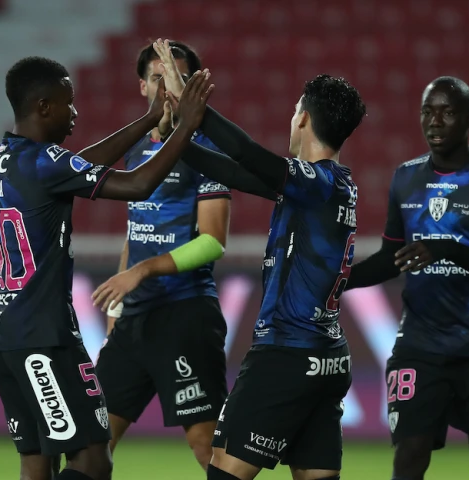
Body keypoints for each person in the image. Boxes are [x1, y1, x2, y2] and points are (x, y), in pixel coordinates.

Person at [101, 57, 364, 479]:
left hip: (286, 353)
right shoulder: (336, 183)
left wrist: (192, 107)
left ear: (304, 119)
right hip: (327, 360)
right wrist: (179, 137)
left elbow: (243, 153)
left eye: (296, 109)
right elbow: (234, 171)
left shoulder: (312, 182)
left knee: (222, 472)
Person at [0, 56, 214, 480]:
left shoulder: (0, 161)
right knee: (92, 460)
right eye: (68, 103)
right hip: (43, 339)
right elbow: (138, 185)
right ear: (44, 107)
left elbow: (79, 165)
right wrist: (185, 126)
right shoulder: (46, 164)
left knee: (37, 462)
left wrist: (148, 121)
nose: (75, 112)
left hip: (3, 335)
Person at [344, 76, 469, 480]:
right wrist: (341, 281)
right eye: (428, 111)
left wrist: (445, 247)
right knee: (409, 455)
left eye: (447, 111)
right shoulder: (405, 177)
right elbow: (393, 258)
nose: (435, 121)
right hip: (419, 344)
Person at [89, 39, 235, 471]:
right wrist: (118, 300)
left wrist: (143, 271)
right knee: (92, 442)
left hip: (186, 316)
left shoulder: (207, 152)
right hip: (134, 321)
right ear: (142, 86)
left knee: (206, 445)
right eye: (159, 76)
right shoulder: (134, 147)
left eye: (180, 78)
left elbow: (213, 241)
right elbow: (135, 234)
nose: (169, 86)